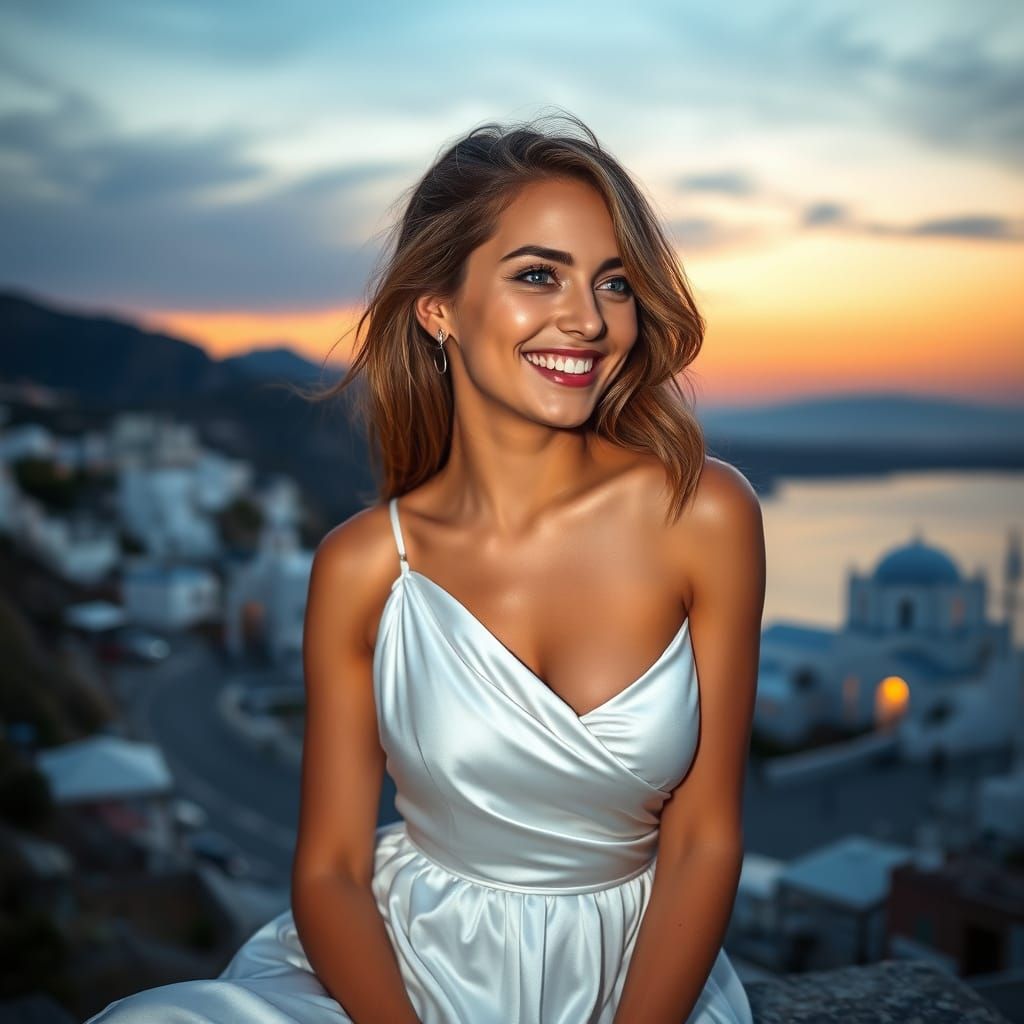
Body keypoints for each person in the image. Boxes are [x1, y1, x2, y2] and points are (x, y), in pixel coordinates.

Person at [86, 111, 765, 1024]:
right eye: (538, 275)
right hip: (409, 973)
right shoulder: (365, 566)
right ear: (437, 308)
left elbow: (705, 841)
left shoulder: (705, 513)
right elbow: (329, 871)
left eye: (614, 282)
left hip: (638, 980)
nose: (589, 319)